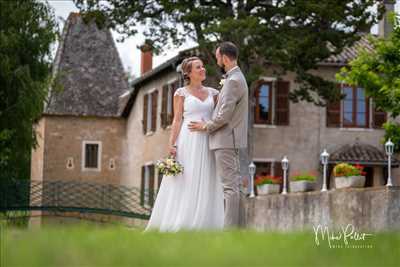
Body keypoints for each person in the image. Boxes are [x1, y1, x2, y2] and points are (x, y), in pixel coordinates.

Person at [145, 56, 224, 232]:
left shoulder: (214, 93)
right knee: (187, 178)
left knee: (207, 176)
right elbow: (177, 120)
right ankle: (182, 219)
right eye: (198, 67)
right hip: (188, 140)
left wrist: (208, 126)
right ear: (188, 73)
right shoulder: (181, 93)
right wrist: (172, 144)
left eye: (203, 66)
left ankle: (205, 220)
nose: (203, 69)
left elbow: (220, 118)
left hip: (207, 139)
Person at [188, 42, 248, 228]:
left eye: (217, 56)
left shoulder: (233, 81)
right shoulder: (235, 78)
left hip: (225, 139)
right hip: (230, 138)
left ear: (224, 57)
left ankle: (230, 231)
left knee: (230, 188)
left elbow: (224, 115)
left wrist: (206, 126)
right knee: (235, 187)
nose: (216, 60)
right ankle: (240, 229)